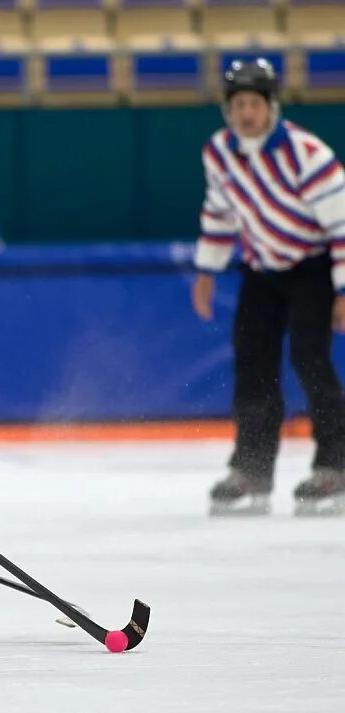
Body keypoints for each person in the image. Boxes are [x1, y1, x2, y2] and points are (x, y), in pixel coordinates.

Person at [190, 59, 345, 516]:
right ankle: (252, 470)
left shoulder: (307, 154)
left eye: (254, 103)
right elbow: (218, 213)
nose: (246, 113)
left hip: (312, 268)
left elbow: (341, 225)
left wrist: (343, 290)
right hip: (260, 271)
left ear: (271, 106)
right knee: (252, 364)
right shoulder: (218, 152)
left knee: (309, 357)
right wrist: (206, 271)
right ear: (227, 109)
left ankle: (336, 463)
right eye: (238, 104)